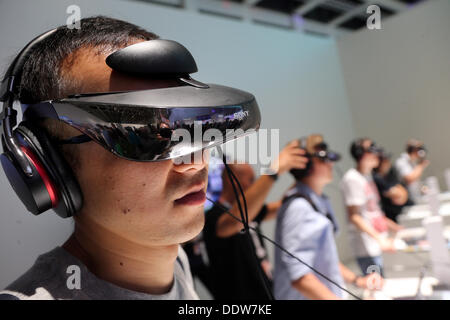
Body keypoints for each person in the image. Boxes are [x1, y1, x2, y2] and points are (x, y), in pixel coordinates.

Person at [0, 16, 259, 300]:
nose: (195, 162)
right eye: (147, 137)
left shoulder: (174, 264)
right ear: (48, 163)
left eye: (192, 129)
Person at [274, 135, 376, 300]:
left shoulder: (318, 200)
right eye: (324, 158)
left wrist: (358, 280)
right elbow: (301, 278)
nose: (331, 163)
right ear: (304, 165)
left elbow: (325, 260)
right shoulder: (298, 208)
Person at [203, 140, 308, 299]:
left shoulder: (248, 211)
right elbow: (234, 222)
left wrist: (304, 179)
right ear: (232, 182)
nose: (254, 186)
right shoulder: (213, 216)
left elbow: (282, 205)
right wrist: (274, 171)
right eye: (251, 180)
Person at [341, 138, 402, 276]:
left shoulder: (367, 177)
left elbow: (372, 210)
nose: (377, 154)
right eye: (372, 150)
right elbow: (355, 216)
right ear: (360, 153)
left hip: (378, 243)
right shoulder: (352, 179)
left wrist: (393, 227)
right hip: (367, 248)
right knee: (375, 287)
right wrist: (379, 239)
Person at [373, 151, 410, 222]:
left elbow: (402, 192)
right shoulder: (376, 178)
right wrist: (401, 193)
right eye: (385, 161)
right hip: (390, 217)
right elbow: (396, 195)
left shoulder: (390, 173)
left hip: (401, 212)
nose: (388, 164)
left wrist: (403, 194)